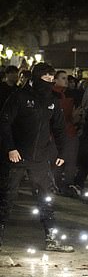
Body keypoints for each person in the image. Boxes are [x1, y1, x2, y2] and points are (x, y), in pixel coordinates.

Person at [0, 62, 73, 252]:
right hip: (16, 157)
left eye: (51, 79)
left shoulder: (52, 101)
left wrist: (62, 152)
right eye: (45, 79)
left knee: (46, 199)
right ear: (35, 79)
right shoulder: (19, 97)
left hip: (40, 159)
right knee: (7, 197)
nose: (49, 83)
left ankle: (52, 238)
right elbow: (4, 124)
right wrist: (10, 148)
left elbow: (59, 128)